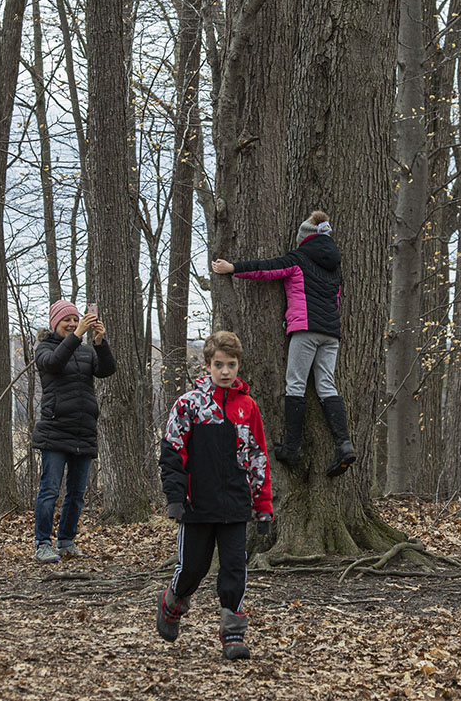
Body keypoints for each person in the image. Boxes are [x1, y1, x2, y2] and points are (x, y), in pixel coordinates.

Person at [212, 210, 356, 478]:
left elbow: (267, 268)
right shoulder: (334, 265)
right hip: (331, 333)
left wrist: (234, 269)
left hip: (305, 329)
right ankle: (344, 444)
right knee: (326, 385)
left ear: (304, 238)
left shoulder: (299, 259)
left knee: (296, 384)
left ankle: (292, 446)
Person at [156, 330, 272, 660]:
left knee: (234, 567)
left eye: (231, 365)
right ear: (207, 365)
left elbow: (257, 457)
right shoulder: (189, 405)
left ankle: (232, 632)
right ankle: (173, 600)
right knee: (193, 567)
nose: (225, 371)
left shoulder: (247, 408)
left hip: (236, 505)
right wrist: (175, 497)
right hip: (197, 505)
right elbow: (172, 452)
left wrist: (263, 508)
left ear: (238, 366)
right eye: (218, 364)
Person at [31, 299, 116, 562]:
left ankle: (67, 541)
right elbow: (55, 363)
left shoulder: (86, 351)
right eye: (66, 320)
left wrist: (100, 343)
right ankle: (43, 544)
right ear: (55, 322)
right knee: (50, 490)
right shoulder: (44, 349)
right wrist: (78, 334)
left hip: (83, 431)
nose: (71, 323)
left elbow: (107, 370)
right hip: (55, 430)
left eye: (75, 319)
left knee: (77, 494)